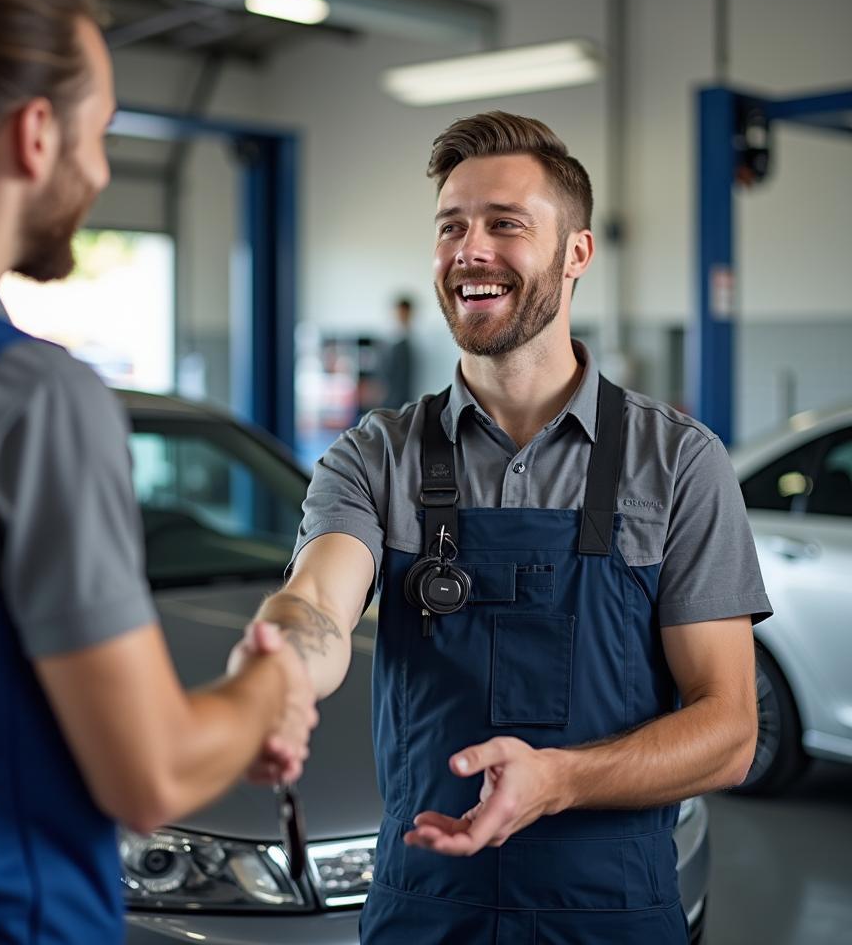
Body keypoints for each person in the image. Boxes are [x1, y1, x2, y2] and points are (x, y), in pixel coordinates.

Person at [0, 0, 315, 945]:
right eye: (100, 132)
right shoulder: (27, 394)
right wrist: (271, 686)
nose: (99, 169)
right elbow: (154, 774)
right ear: (36, 133)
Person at [231, 111, 771, 943]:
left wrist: (559, 780)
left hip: (609, 916)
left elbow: (729, 730)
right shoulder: (378, 455)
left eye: (504, 225)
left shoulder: (677, 463)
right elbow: (318, 603)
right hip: (423, 907)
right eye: (451, 227)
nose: (469, 251)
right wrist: (274, 673)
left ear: (577, 253)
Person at [382, 296, 415, 410]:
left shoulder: (412, 341)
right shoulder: (390, 339)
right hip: (390, 398)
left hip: (405, 398)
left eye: (404, 313)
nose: (401, 316)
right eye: (399, 313)